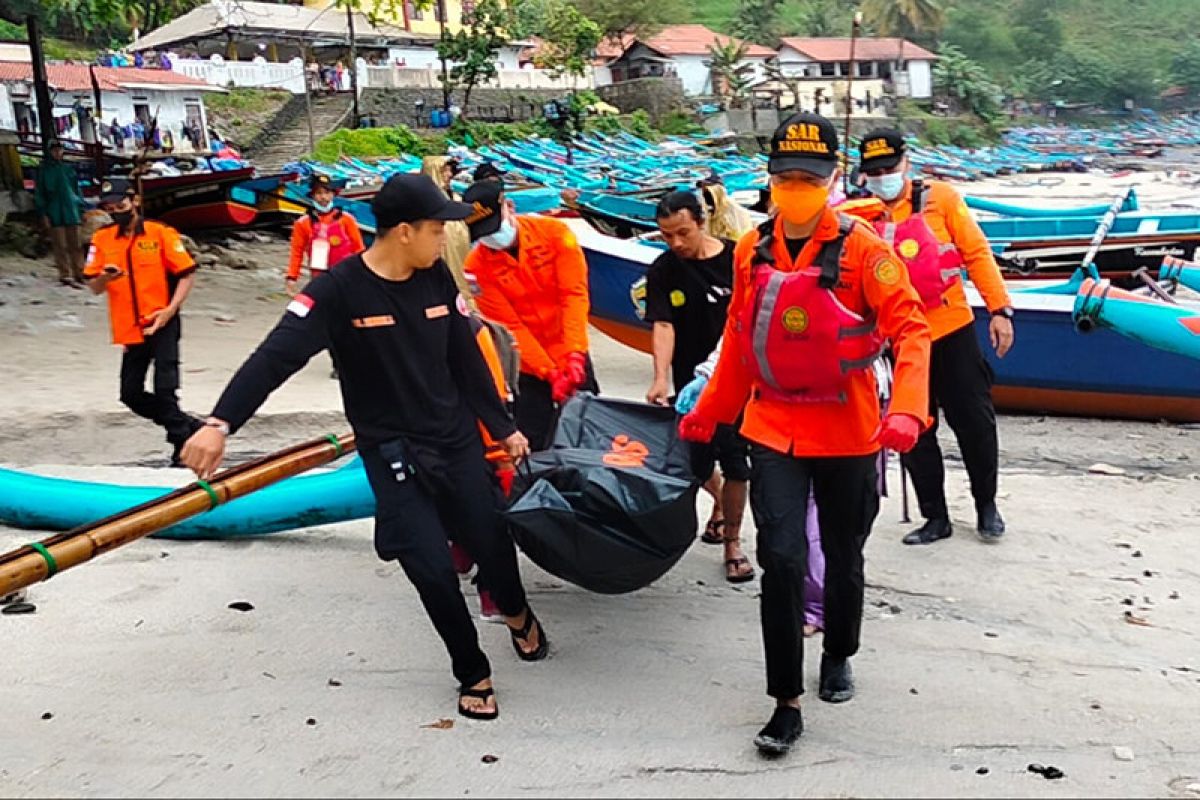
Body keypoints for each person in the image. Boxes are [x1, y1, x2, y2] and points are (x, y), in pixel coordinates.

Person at [179, 174, 549, 721]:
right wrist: (220, 422)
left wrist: (503, 426)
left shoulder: (436, 278)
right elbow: (275, 357)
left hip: (454, 442)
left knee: (492, 546)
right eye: (436, 228)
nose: (445, 238)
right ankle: (472, 669)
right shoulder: (337, 292)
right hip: (392, 452)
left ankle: (518, 613)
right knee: (427, 566)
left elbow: (466, 362)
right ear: (404, 232)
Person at [678, 112, 932, 757]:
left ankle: (839, 653)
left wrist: (907, 409)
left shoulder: (865, 250)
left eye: (809, 178)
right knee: (782, 560)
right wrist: (712, 410)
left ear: (834, 178)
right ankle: (784, 701)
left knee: (844, 557)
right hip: (773, 427)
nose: (797, 187)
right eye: (786, 177)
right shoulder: (750, 250)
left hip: (849, 429)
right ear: (769, 180)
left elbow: (911, 330)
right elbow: (740, 337)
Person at [856, 128, 1014, 545]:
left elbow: (976, 252)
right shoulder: (859, 216)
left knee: (974, 422)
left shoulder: (940, 199)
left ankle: (986, 505)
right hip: (898, 340)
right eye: (874, 172)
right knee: (913, 429)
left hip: (951, 328)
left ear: (906, 163)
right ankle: (935, 516)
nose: (882, 177)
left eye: (889, 168)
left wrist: (999, 310)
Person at [644, 190, 753, 584]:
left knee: (737, 459)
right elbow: (663, 323)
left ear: (702, 223)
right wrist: (659, 376)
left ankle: (733, 543)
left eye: (683, 233)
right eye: (666, 236)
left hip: (738, 380)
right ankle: (721, 502)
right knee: (695, 463)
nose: (676, 244)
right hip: (691, 383)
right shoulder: (663, 270)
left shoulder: (739, 259)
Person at [462, 179, 597, 450]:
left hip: (571, 348)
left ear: (508, 207)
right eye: (483, 233)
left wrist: (573, 355)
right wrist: (549, 372)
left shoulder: (556, 234)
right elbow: (510, 326)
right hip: (526, 365)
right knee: (536, 440)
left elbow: (573, 295)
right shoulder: (476, 267)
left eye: (493, 228)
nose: (491, 238)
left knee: (591, 429)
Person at [84, 186, 204, 466]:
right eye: (110, 209)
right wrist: (105, 277)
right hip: (130, 326)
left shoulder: (160, 233)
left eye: (120, 205)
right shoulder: (102, 239)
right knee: (130, 394)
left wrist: (170, 310)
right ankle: (189, 426)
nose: (116, 213)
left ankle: (180, 444)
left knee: (165, 387)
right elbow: (93, 287)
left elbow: (186, 274)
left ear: (134, 201)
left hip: (162, 320)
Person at [286, 174, 365, 296]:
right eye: (318, 193)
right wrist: (292, 277)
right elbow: (297, 252)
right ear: (312, 196)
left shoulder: (347, 220)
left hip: (346, 275)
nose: (323, 197)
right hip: (319, 277)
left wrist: (364, 274)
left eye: (327, 192)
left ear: (333, 195)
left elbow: (359, 249)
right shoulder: (302, 223)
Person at [34, 139, 86, 287]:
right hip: (54, 211)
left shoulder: (68, 169)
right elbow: (40, 193)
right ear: (50, 152)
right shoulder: (44, 171)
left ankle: (80, 272)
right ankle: (65, 274)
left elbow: (77, 190)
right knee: (60, 245)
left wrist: (81, 207)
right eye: (54, 150)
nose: (57, 153)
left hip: (72, 210)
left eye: (60, 150)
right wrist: (43, 213)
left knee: (76, 243)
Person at [421, 155, 472, 298]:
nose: (449, 175)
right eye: (444, 171)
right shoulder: (427, 202)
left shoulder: (454, 197)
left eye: (450, 171)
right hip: (443, 250)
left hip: (459, 248)